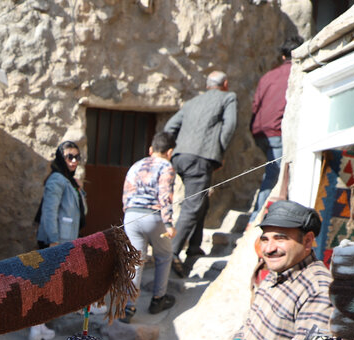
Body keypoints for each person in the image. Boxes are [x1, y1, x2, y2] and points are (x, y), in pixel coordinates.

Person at [219, 201, 333, 340]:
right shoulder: (276, 271)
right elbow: (253, 319)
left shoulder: (318, 286)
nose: (269, 249)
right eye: (265, 239)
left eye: (280, 238)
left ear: (307, 241)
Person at [163, 71, 237, 277]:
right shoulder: (228, 97)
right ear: (225, 83)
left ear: (207, 85)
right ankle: (172, 253)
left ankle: (194, 246)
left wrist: (173, 149)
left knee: (200, 200)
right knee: (193, 205)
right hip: (201, 157)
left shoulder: (191, 103)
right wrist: (218, 151)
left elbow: (170, 126)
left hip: (180, 157)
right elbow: (229, 126)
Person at [30, 140, 87, 340]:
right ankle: (35, 327)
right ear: (60, 158)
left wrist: (78, 188)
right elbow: (49, 211)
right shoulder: (57, 179)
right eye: (69, 157)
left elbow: (80, 209)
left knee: (51, 282)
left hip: (64, 239)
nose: (74, 161)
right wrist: (53, 240)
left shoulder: (67, 180)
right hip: (55, 240)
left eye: (77, 157)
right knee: (45, 283)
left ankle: (41, 325)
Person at [121, 131, 178, 317]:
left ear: (151, 149)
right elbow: (165, 194)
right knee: (164, 255)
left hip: (131, 216)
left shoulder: (136, 165)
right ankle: (158, 299)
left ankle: (128, 306)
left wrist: (129, 214)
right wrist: (168, 223)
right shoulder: (166, 166)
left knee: (135, 261)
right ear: (169, 152)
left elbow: (126, 192)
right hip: (153, 217)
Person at [249, 37, 304, 220]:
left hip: (260, 131)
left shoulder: (268, 76)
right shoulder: (298, 73)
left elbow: (255, 105)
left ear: (282, 57)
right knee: (275, 179)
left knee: (274, 175)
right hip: (277, 131)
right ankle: (257, 219)